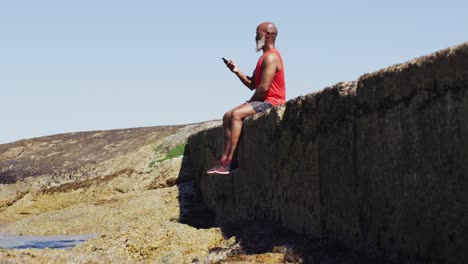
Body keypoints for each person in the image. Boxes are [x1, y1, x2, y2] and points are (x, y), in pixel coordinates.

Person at [207, 22, 286, 175]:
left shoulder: (271, 57)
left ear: (268, 35)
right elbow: (252, 84)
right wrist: (237, 71)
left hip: (272, 101)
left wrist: (248, 103)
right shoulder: (263, 58)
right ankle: (224, 160)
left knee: (236, 115)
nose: (255, 37)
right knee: (227, 116)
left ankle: (231, 161)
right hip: (262, 100)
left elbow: (263, 89)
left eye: (258, 33)